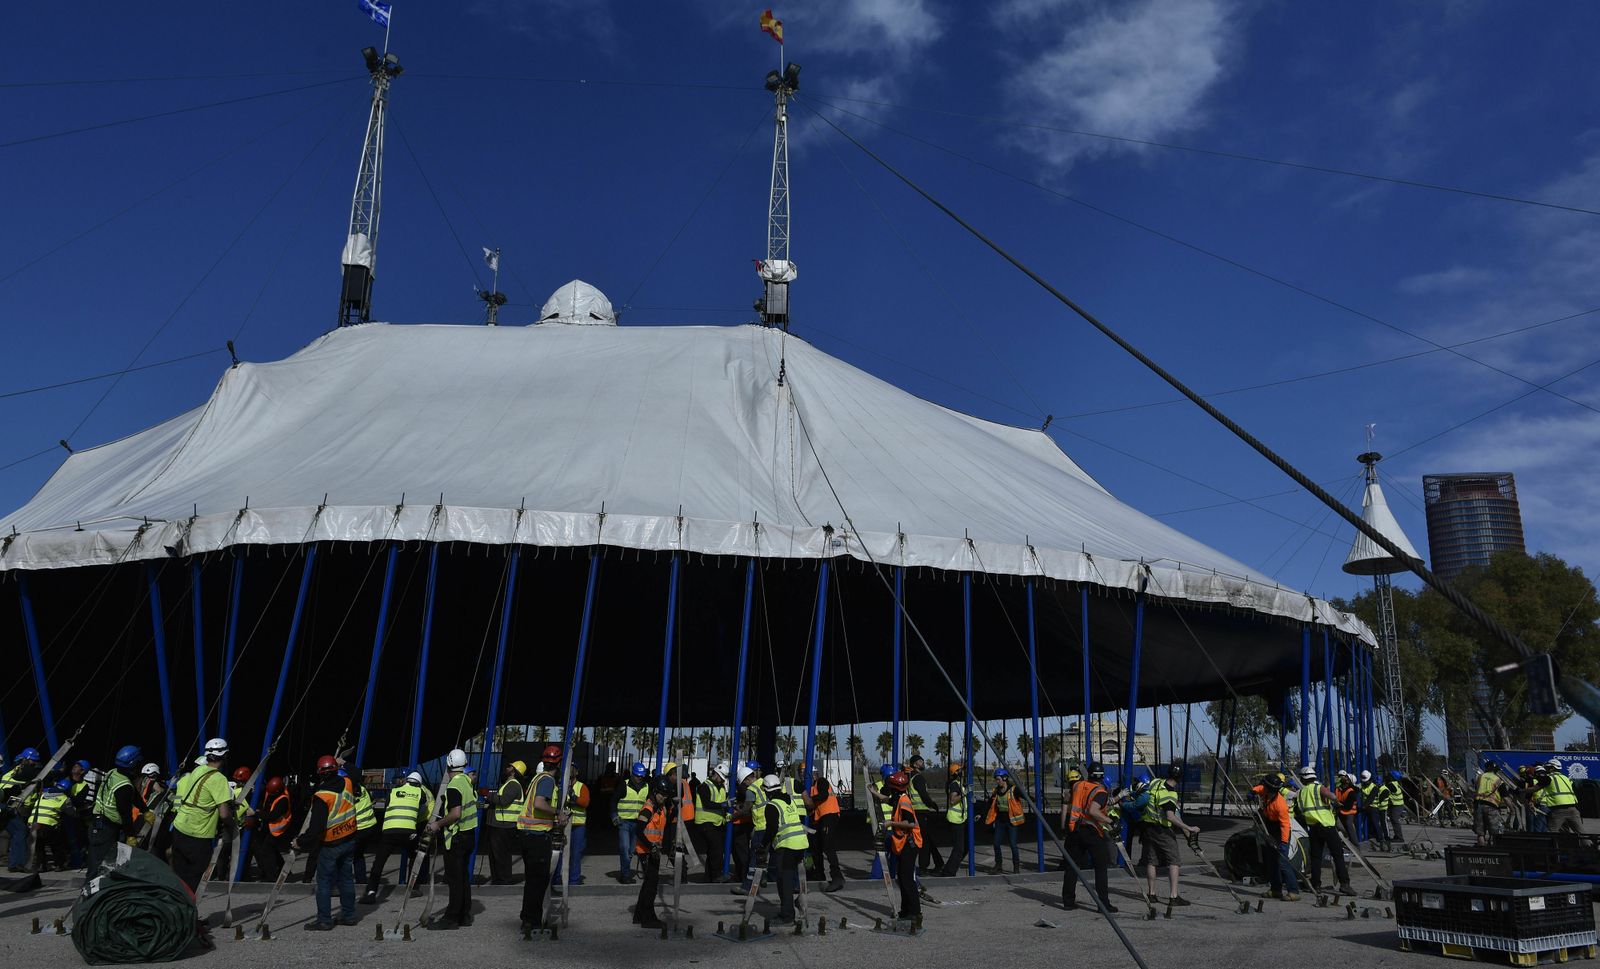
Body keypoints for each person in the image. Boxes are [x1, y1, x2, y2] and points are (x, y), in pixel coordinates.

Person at [296, 755, 359, 931]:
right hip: (349, 838)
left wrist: (300, 842)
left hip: (331, 843)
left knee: (323, 882)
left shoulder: (322, 796)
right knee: (346, 879)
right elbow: (357, 772)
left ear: (319, 773)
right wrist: (343, 762)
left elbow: (315, 828)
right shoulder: (347, 782)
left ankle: (324, 920)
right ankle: (349, 915)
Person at [170, 738, 234, 892]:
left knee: (180, 877)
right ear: (225, 756)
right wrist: (233, 826)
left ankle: (176, 912)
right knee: (194, 879)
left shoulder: (198, 770)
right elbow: (224, 814)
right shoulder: (219, 779)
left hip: (179, 828)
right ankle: (188, 914)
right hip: (198, 835)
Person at [515, 744, 567, 934]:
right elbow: (539, 804)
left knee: (532, 880)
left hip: (528, 834)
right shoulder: (547, 781)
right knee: (538, 880)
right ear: (558, 763)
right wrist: (558, 813)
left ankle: (529, 918)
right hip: (536, 836)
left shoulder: (537, 778)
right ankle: (531, 920)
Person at [425, 748, 477, 930]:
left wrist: (437, 825)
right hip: (469, 835)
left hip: (457, 838)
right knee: (463, 877)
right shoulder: (467, 782)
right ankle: (464, 915)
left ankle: (451, 918)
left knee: (454, 880)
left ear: (448, 765)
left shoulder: (454, 785)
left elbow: (455, 814)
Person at [1137, 766, 1199, 906]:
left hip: (1147, 826)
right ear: (1180, 778)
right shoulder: (1170, 794)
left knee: (1152, 861)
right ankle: (1173, 896)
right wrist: (1188, 828)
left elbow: (1142, 792)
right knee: (1174, 861)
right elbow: (1170, 817)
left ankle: (1152, 894)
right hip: (1162, 829)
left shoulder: (1155, 782)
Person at [364, 770, 428, 900]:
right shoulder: (420, 792)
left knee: (379, 862)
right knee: (414, 857)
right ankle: (412, 889)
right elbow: (423, 808)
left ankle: (371, 892)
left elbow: (387, 807)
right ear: (419, 784)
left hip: (389, 831)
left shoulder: (393, 791)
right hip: (408, 831)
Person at [1291, 766, 1354, 897]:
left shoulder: (1301, 793)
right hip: (1328, 827)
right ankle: (1344, 884)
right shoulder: (1318, 788)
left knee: (1316, 858)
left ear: (1303, 779)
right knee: (1338, 856)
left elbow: (1299, 811)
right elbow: (1332, 796)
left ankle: (1316, 884)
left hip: (1313, 828)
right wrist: (1335, 802)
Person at [1061, 762, 1116, 912]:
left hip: (1075, 829)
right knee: (1100, 868)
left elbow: (1070, 800)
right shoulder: (1101, 792)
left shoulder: (1078, 785)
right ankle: (1103, 904)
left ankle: (1068, 902)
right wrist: (1112, 821)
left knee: (1072, 867)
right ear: (1102, 776)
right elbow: (1093, 811)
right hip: (1091, 832)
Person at [87, 744, 147, 880]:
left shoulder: (114, 772)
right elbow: (125, 813)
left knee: (103, 863)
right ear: (134, 764)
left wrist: (145, 810)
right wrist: (130, 834)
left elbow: (134, 794)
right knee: (98, 865)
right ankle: (88, 896)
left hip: (101, 823)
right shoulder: (123, 786)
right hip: (105, 827)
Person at [763, 774, 808, 924]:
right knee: (788, 878)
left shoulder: (772, 806)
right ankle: (792, 906)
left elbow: (771, 829)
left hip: (787, 845)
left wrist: (762, 845)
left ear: (767, 791)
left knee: (785, 881)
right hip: (800, 844)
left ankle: (787, 915)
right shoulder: (789, 800)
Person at [631, 777, 673, 929]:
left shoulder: (660, 808)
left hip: (652, 851)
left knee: (648, 883)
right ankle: (648, 918)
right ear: (654, 792)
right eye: (661, 794)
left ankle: (639, 915)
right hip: (646, 851)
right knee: (651, 885)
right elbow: (639, 830)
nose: (664, 797)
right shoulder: (649, 808)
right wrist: (650, 846)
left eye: (666, 795)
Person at [884, 770, 922, 924]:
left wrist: (891, 823)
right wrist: (874, 793)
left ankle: (914, 912)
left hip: (910, 844)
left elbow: (910, 823)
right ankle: (906, 910)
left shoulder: (904, 801)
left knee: (907, 879)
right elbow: (887, 799)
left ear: (895, 787)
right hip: (904, 843)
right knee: (902, 877)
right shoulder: (898, 797)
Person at [1254, 775, 1300, 901]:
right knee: (1272, 862)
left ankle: (1293, 891)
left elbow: (1285, 825)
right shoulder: (1267, 792)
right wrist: (1252, 792)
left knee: (1282, 862)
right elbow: (1259, 788)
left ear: (1270, 788)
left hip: (1281, 833)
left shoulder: (1280, 804)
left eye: (1265, 786)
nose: (1262, 788)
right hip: (1270, 830)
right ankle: (1276, 890)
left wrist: (1283, 843)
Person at [484, 759, 526, 885]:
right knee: (495, 854)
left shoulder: (513, 784)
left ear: (513, 770)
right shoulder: (508, 784)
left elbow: (503, 800)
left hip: (504, 825)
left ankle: (504, 880)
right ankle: (498, 878)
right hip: (499, 824)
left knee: (501, 854)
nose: (506, 768)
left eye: (509, 766)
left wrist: (487, 794)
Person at [2, 747, 43, 872]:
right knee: (19, 831)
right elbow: (31, 775)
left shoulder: (17, 771)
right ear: (25, 760)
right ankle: (16, 863)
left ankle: (15, 863)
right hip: (6, 806)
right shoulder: (21, 771)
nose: (35, 765)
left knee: (19, 831)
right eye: (33, 762)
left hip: (9, 806)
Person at [805, 767, 843, 891]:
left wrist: (809, 800)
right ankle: (819, 874)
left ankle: (837, 877)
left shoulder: (821, 781)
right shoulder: (810, 788)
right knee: (816, 846)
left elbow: (823, 795)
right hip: (820, 818)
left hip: (829, 815)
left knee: (828, 846)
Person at [904, 755, 944, 874]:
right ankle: (924, 866)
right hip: (921, 812)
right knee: (924, 841)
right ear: (915, 764)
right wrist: (932, 804)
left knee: (927, 839)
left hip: (918, 811)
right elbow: (923, 794)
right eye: (920, 761)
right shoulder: (918, 778)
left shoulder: (912, 777)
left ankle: (938, 863)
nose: (923, 762)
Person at [692, 762, 730, 883]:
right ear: (716, 774)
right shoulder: (704, 786)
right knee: (717, 849)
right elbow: (707, 803)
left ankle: (709, 877)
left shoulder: (721, 787)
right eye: (721, 778)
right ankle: (716, 876)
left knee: (713, 851)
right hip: (705, 822)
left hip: (717, 823)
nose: (722, 781)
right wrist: (724, 805)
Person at [613, 762, 650, 885]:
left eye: (641, 775)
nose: (640, 777)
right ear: (633, 774)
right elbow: (613, 801)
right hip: (624, 822)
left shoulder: (646, 787)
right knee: (624, 848)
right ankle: (625, 875)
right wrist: (614, 816)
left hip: (638, 824)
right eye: (637, 775)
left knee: (631, 851)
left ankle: (625, 871)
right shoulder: (624, 785)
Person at [26, 778, 74, 871]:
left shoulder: (43, 794)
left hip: (33, 823)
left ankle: (41, 865)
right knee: (56, 845)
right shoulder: (64, 798)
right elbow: (71, 813)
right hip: (48, 824)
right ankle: (59, 865)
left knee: (39, 846)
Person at [986, 768, 1024, 874]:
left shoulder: (1014, 790)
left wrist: (1033, 799)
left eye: (998, 779)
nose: (997, 781)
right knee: (996, 843)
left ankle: (1016, 867)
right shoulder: (996, 791)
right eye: (996, 780)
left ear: (1004, 778)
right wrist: (981, 814)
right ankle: (998, 865)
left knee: (1013, 844)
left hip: (1012, 822)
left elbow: (1025, 796)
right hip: (1000, 822)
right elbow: (989, 804)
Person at [727, 764, 760, 888]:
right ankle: (745, 876)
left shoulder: (750, 789)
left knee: (744, 853)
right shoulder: (761, 784)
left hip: (748, 823)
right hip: (753, 823)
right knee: (744, 852)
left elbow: (746, 809)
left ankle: (746, 880)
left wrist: (734, 813)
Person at [256, 776, 292, 884]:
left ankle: (271, 877)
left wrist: (258, 813)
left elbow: (273, 816)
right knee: (274, 851)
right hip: (271, 828)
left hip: (278, 830)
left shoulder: (283, 800)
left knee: (266, 852)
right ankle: (285, 871)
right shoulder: (272, 793)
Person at [939, 763, 971, 876]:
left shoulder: (960, 784)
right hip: (956, 820)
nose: (963, 771)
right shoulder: (954, 785)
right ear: (956, 772)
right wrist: (964, 793)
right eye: (961, 770)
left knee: (966, 846)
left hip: (962, 819)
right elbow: (953, 800)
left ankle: (949, 868)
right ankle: (948, 872)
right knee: (959, 849)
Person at [1535, 760, 1583, 835]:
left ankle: (1554, 846)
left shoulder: (1548, 778)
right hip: (1573, 809)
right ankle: (1590, 845)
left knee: (1551, 832)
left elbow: (1534, 789)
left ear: (1552, 768)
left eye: (1547, 768)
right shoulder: (1566, 778)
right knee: (1581, 832)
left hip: (1558, 810)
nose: (1546, 770)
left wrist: (1521, 790)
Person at [560, 770, 591, 885]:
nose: (571, 770)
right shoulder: (560, 785)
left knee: (576, 853)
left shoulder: (582, 787)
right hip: (562, 824)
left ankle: (573, 880)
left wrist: (573, 797)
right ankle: (557, 879)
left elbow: (585, 803)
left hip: (578, 825)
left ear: (577, 773)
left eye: (573, 769)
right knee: (559, 853)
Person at [1473, 762, 1505, 846]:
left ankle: (1482, 851)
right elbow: (1505, 796)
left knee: (1480, 833)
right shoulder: (1498, 780)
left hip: (1478, 804)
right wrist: (1512, 809)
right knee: (1495, 832)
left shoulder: (1480, 777)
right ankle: (1494, 852)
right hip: (1492, 806)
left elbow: (1476, 789)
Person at [1358, 769, 1385, 850]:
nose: (1364, 782)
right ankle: (1370, 836)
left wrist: (1363, 807)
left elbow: (1370, 798)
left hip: (1373, 807)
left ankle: (1380, 839)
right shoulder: (1362, 785)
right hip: (1365, 807)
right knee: (1368, 823)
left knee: (1375, 822)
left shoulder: (1374, 788)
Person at [1333, 772, 1362, 848]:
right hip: (1340, 811)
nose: (1343, 777)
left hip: (1349, 812)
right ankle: (1346, 841)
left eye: (1346, 777)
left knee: (1349, 825)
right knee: (1338, 826)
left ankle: (1355, 845)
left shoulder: (1351, 791)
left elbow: (1348, 805)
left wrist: (1339, 804)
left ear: (1348, 781)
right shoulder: (1338, 789)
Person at [1382, 771, 1409, 849]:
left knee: (1395, 820)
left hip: (1397, 805)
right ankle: (1397, 836)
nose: (1387, 776)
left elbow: (1387, 790)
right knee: (1394, 820)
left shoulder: (1391, 784)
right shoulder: (1395, 783)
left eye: (1389, 775)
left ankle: (1400, 838)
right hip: (1396, 805)